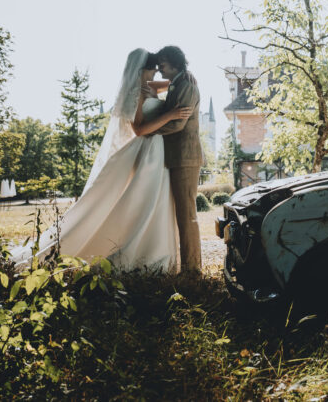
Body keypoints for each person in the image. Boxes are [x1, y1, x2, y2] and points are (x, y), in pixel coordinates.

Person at [11, 48, 194, 272]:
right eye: (153, 68)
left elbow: (172, 85)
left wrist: (184, 76)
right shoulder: (137, 92)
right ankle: (143, 255)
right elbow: (139, 129)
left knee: (156, 203)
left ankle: (158, 254)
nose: (157, 71)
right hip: (149, 152)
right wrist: (171, 115)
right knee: (146, 201)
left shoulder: (150, 88)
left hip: (159, 153)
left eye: (158, 68)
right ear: (142, 70)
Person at [154, 45, 205, 274]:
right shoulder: (178, 82)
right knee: (182, 215)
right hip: (177, 157)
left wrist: (148, 132)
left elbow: (177, 123)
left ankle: (192, 271)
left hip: (186, 157)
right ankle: (188, 267)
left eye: (162, 65)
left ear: (174, 62)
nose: (158, 70)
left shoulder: (186, 85)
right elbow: (145, 87)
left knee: (187, 217)